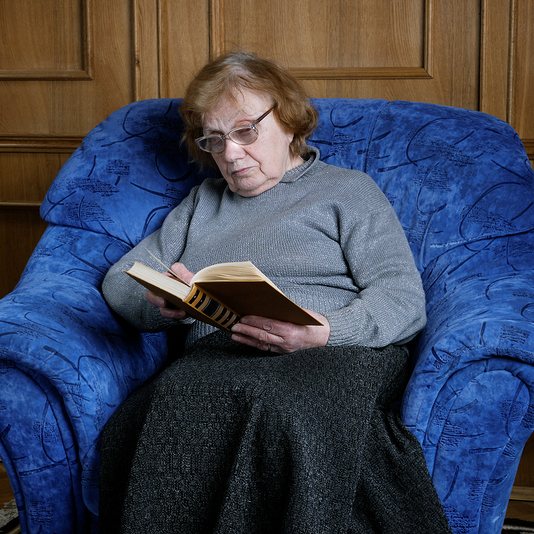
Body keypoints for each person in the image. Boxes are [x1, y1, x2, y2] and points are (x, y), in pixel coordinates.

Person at [99, 51, 452, 533]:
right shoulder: (203, 203)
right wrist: (161, 304)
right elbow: (122, 278)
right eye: (215, 139)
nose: (230, 154)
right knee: (154, 415)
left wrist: (326, 331)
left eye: (246, 131)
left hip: (338, 349)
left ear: (288, 121)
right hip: (224, 355)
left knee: (281, 411)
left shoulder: (347, 191)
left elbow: (403, 298)